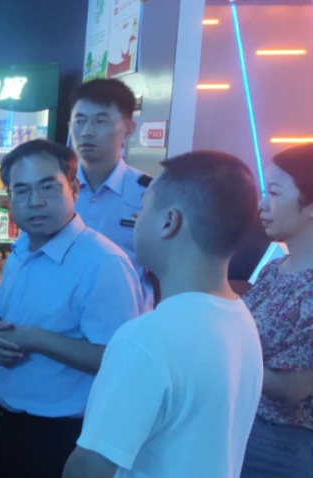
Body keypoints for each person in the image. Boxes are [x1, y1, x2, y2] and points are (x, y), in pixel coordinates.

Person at [64, 151, 264, 478]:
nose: (136, 220)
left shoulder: (146, 339)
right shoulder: (240, 318)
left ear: (170, 222)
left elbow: (89, 468)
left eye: (142, 209)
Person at [0, 139, 144, 478]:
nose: (35, 201)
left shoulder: (102, 262)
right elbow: (5, 314)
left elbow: (118, 359)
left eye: (47, 187)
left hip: (66, 437)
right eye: (21, 191)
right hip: (12, 423)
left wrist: (34, 339)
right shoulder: (22, 248)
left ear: (74, 189)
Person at [240, 144, 313, 478]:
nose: (261, 204)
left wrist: (224, 354)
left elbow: (292, 388)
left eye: (274, 193)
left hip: (284, 447)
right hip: (246, 426)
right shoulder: (275, 269)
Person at [70, 79, 156, 308]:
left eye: (101, 121)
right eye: (80, 121)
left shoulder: (150, 194)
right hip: (62, 321)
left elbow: (167, 269)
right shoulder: (54, 190)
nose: (87, 132)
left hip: (126, 320)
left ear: (128, 128)